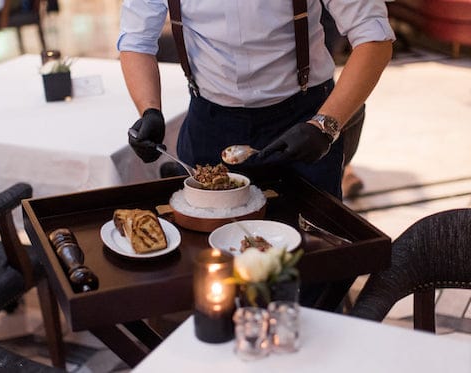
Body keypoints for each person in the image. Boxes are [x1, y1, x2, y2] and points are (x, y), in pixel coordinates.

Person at [118, 0, 394, 308]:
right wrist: (149, 109)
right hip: (210, 124)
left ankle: (312, 335)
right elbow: (136, 41)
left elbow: (374, 37)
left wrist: (325, 124)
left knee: (316, 260)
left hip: (303, 118)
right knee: (215, 264)